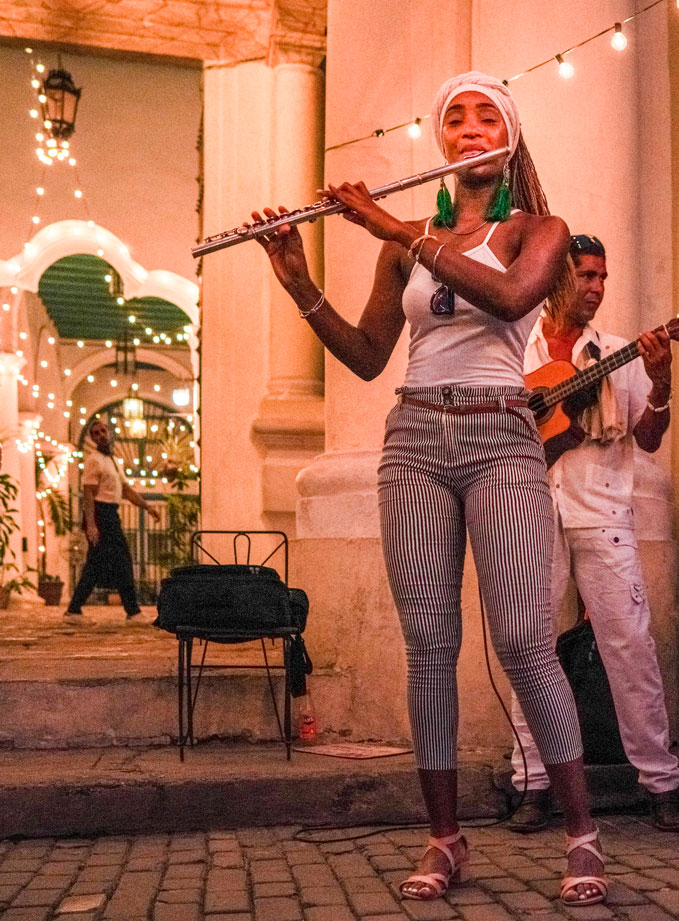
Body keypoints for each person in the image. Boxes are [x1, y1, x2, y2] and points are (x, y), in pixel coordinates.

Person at [250, 72, 606, 907]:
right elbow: (371, 354)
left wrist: (389, 225)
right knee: (430, 647)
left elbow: (512, 295)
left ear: (510, 137)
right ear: (442, 141)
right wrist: (302, 286)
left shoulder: (536, 230)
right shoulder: (402, 237)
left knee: (524, 639)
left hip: (500, 435)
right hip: (413, 437)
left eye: (488, 116)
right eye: (457, 118)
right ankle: (445, 840)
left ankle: (583, 832)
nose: (472, 127)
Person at [505, 233, 679, 833]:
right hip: (529, 511)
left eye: (602, 277)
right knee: (531, 646)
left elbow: (649, 437)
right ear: (556, 278)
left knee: (629, 647)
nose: (596, 287)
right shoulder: (515, 348)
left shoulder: (619, 352)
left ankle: (660, 783)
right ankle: (531, 781)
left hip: (604, 512)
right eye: (585, 275)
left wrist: (661, 387)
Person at [65, 419, 161, 620]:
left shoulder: (114, 461)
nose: (101, 435)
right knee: (120, 562)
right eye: (96, 433)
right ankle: (132, 612)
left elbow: (126, 490)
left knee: (99, 564)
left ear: (109, 432)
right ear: (93, 438)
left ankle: (74, 609)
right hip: (101, 515)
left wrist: (147, 507)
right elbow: (89, 494)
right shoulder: (94, 460)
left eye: (103, 431)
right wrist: (91, 525)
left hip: (111, 514)